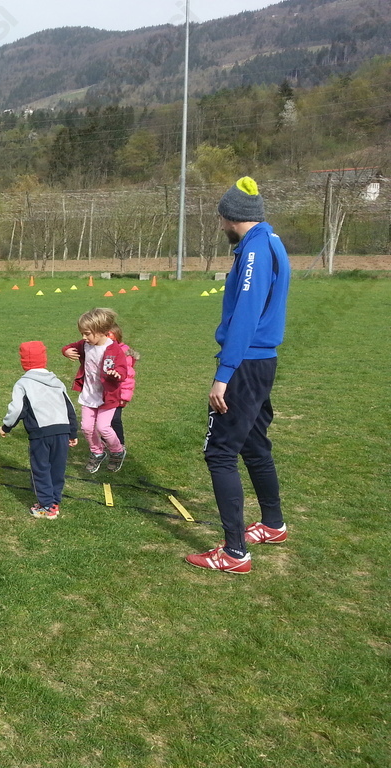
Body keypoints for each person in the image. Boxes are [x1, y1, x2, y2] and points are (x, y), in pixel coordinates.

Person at [186, 177, 290, 574]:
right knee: (254, 444)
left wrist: (224, 373)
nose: (221, 225)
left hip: (245, 363)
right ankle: (273, 525)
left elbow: (246, 315)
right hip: (261, 361)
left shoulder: (254, 252)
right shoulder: (270, 241)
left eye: (221, 218)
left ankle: (234, 553)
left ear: (232, 216)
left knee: (220, 453)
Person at [0, 341, 78, 519]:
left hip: (41, 434)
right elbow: (69, 407)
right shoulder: (56, 381)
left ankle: (46, 505)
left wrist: (6, 427)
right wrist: (73, 432)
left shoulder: (23, 383)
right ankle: (54, 501)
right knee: (57, 468)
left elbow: (18, 409)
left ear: (24, 361)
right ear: (44, 359)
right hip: (62, 431)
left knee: (41, 469)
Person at [61, 307, 128, 473]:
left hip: (108, 397)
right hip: (89, 395)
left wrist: (116, 374)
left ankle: (117, 451)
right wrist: (66, 351)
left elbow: (123, 370)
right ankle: (97, 452)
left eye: (87, 334)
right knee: (86, 428)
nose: (83, 337)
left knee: (103, 427)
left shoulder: (114, 349)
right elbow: (69, 347)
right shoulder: (85, 345)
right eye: (82, 334)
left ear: (102, 331)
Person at [106, 324, 139, 448]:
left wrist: (124, 396)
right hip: (104, 392)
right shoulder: (102, 350)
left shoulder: (123, 353)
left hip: (117, 394)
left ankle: (120, 444)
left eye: (109, 334)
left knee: (115, 419)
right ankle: (106, 442)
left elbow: (128, 377)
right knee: (103, 421)